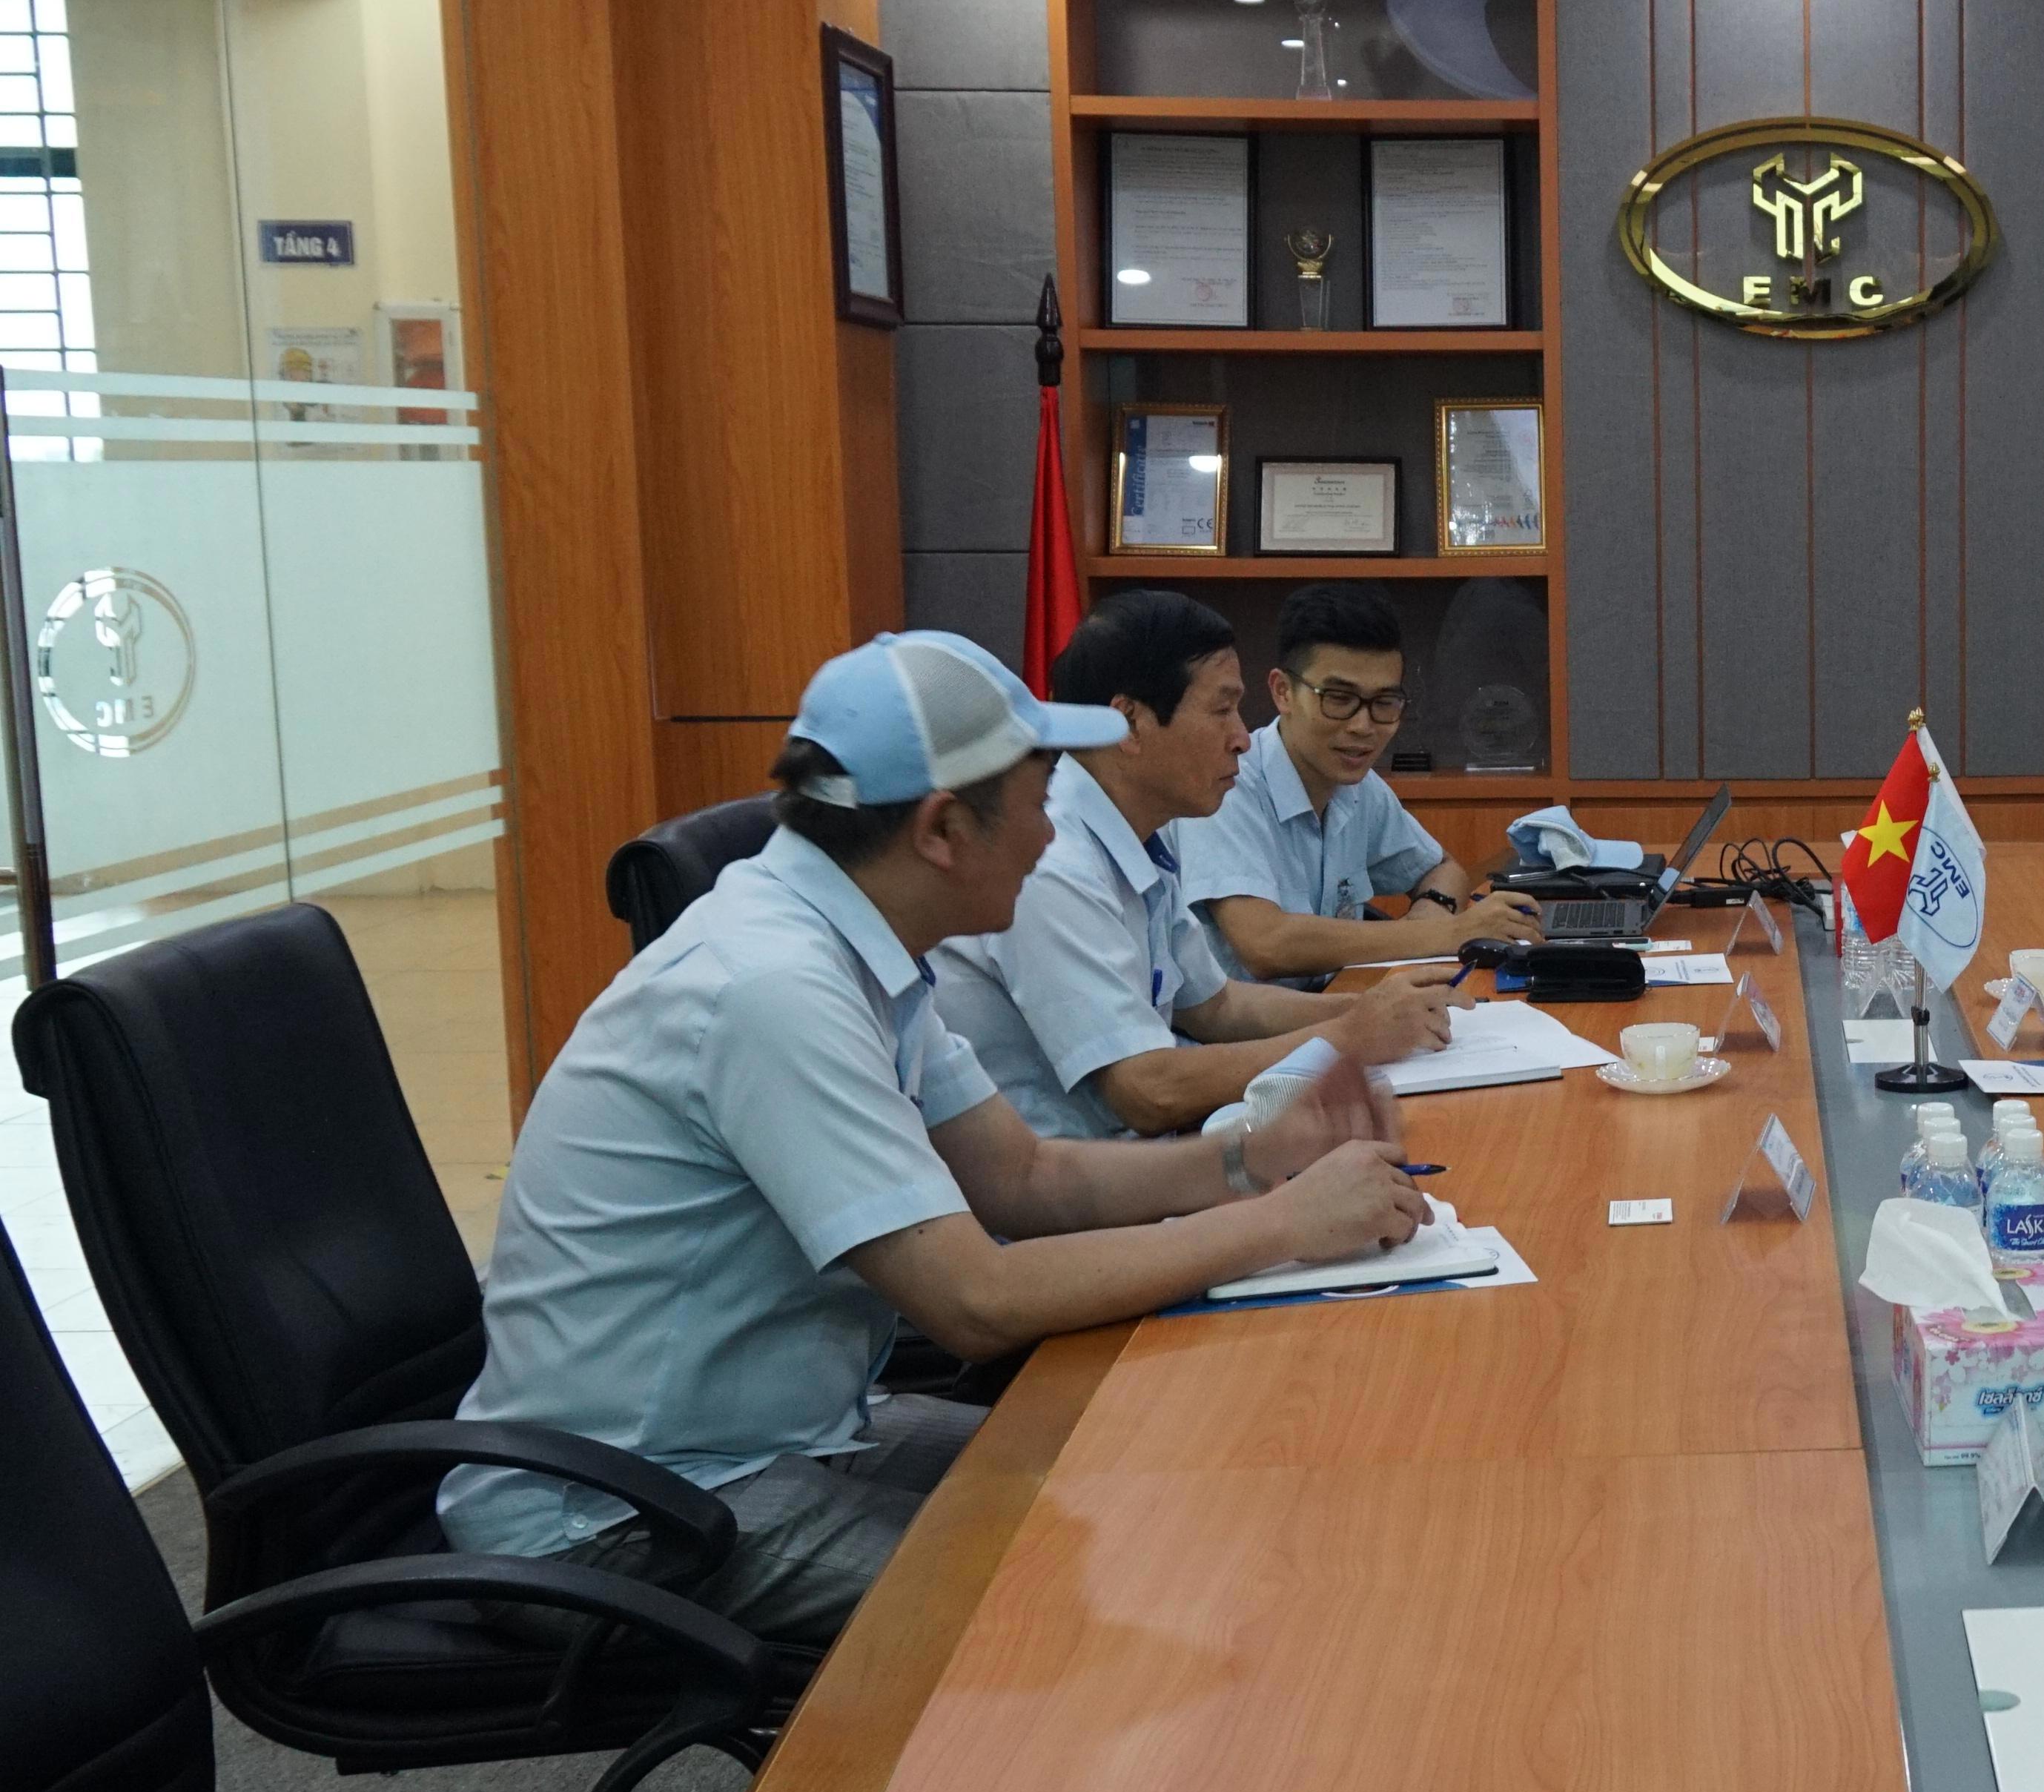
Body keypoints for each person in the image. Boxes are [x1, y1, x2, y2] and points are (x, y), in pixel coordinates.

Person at [438, 632, 1435, 1644]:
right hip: (614, 1513)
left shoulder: (860, 947)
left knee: (1151, 1473)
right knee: (1087, 1593)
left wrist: (1250, 1157)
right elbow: (974, 1301)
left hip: (779, 1438)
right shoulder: (772, 987)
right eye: (1039, 803)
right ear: (944, 828)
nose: (1051, 835)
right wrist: (1281, 1224)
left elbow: (1025, 1178)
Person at [934, 590, 1460, 1139]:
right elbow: (1147, 1092)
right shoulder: (1053, 864)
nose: (1242, 739)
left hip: (1141, 1158)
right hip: (1082, 1178)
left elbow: (1219, 1007)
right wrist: (1348, 1037)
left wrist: (1374, 1009)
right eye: (1221, 710)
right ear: (1129, 723)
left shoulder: (1137, 838)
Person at [1171, 581, 1538, 985]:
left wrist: (1430, 916)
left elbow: (1443, 869)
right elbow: (1265, 944)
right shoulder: (1228, 783)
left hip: (1335, 1007)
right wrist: (1446, 933)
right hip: (1246, 1023)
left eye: (1384, 703)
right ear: (1283, 692)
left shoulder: (1356, 785)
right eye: (1339, 699)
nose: (1363, 727)